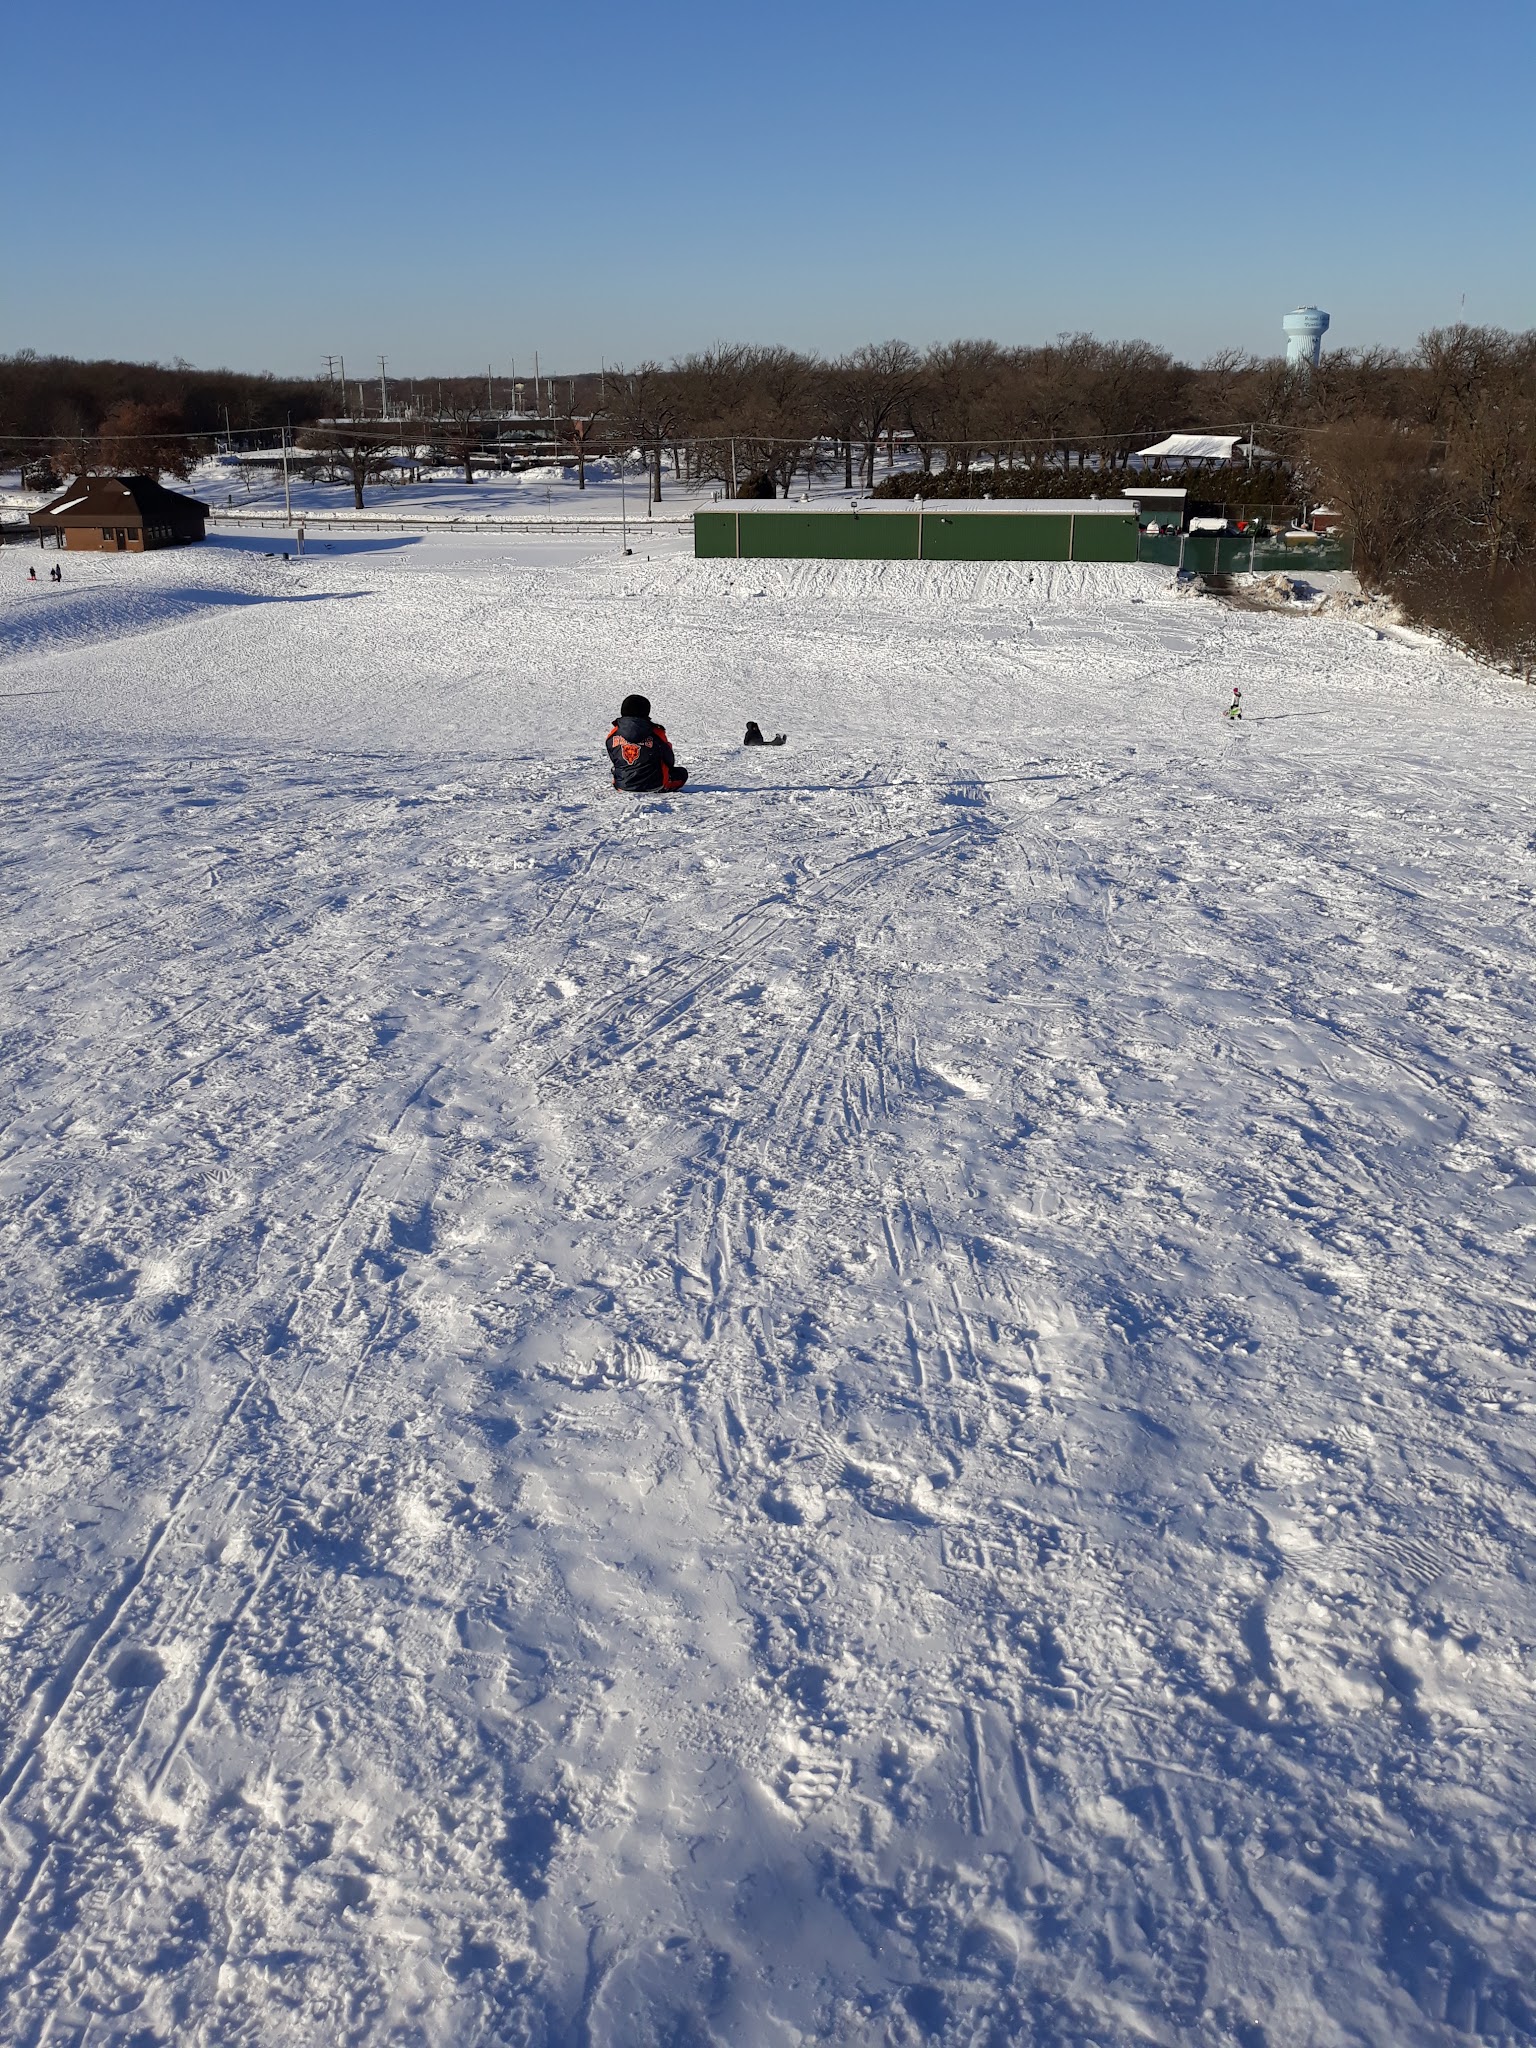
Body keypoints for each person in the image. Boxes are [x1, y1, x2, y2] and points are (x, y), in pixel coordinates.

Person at [606, 693, 688, 792]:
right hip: (656, 784)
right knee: (682, 773)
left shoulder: (614, 733)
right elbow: (669, 760)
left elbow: (614, 757)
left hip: (622, 785)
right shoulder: (656, 732)